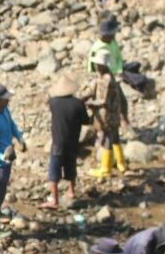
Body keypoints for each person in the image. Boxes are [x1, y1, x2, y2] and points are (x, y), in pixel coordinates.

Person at [0, 83, 27, 239]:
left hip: (7, 159)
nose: (7, 101)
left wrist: (19, 137)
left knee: (2, 189)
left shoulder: (4, 110)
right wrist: (1, 157)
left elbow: (11, 124)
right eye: (4, 99)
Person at [44, 74, 89, 209]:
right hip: (73, 141)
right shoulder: (78, 103)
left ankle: (54, 200)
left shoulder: (54, 102)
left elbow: (49, 102)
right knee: (71, 166)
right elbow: (86, 121)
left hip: (58, 142)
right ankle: (71, 191)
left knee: (54, 169)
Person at [85, 49, 126, 178]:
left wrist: (90, 104)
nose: (96, 66)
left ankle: (105, 168)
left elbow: (103, 100)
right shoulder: (108, 77)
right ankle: (121, 163)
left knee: (107, 138)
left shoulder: (105, 79)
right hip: (114, 112)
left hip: (108, 113)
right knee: (115, 136)